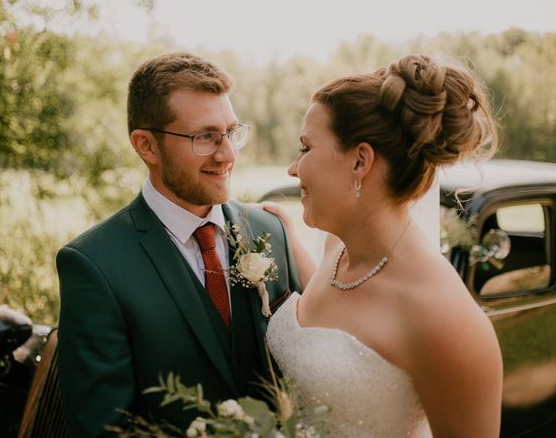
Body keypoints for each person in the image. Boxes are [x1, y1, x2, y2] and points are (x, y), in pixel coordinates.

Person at [56, 52, 301, 437]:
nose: (227, 154)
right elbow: (103, 429)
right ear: (146, 146)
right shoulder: (94, 266)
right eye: (205, 137)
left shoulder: (271, 230)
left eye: (231, 132)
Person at [265, 54, 503, 437]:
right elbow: (334, 329)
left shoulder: (446, 320)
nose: (293, 168)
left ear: (361, 161)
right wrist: (285, 238)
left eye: (305, 148)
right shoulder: (336, 249)